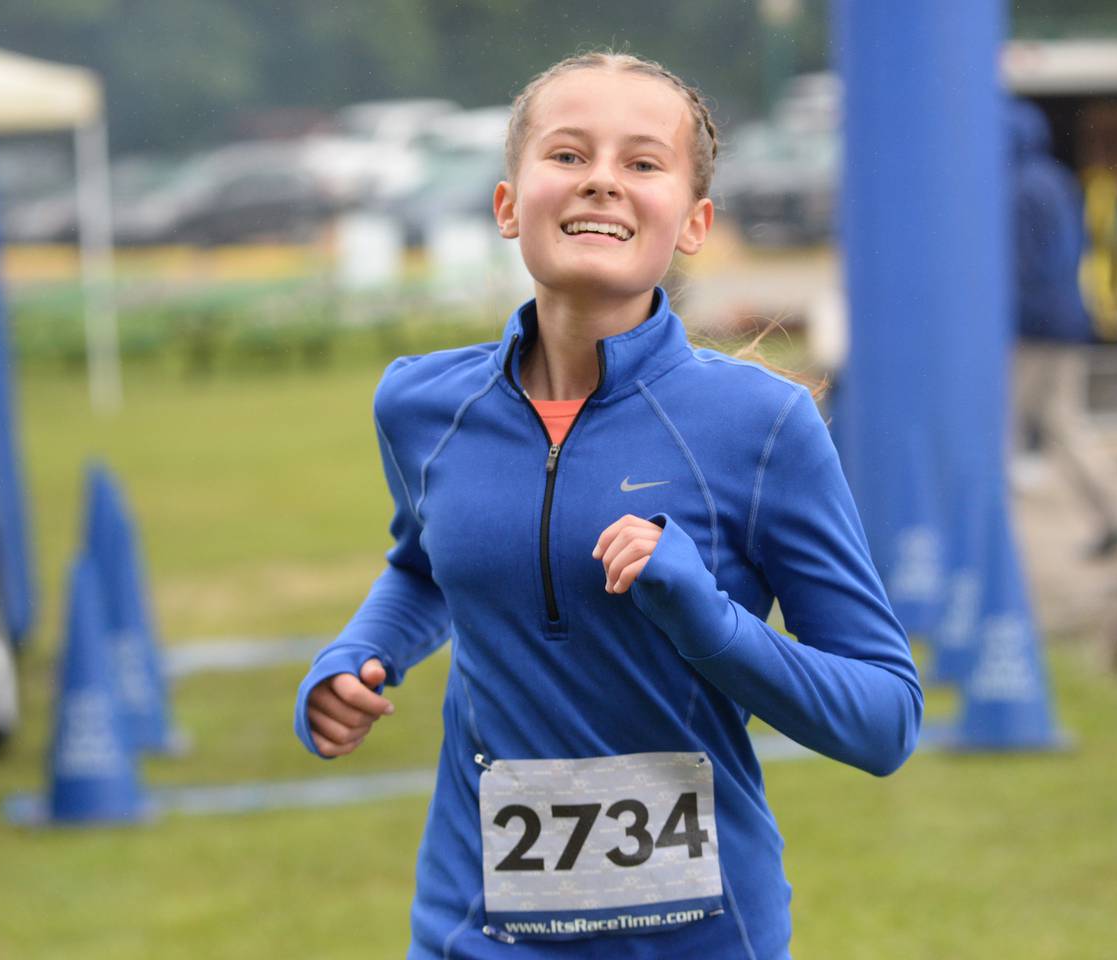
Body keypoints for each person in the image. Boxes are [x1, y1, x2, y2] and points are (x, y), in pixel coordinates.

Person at [293, 51, 921, 958]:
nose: (600, 182)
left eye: (641, 162)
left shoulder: (765, 425)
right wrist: (359, 656)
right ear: (508, 204)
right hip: (473, 935)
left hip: (703, 939)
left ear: (694, 222)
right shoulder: (419, 406)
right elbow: (429, 566)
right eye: (567, 155)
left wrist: (704, 616)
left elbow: (884, 719)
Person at [1008, 98, 1117, 560]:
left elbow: (1020, 268)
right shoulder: (1058, 179)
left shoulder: (1019, 187)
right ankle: (1114, 514)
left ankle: (986, 543)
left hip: (1034, 328)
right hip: (1068, 317)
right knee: (1062, 420)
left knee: (1001, 424)